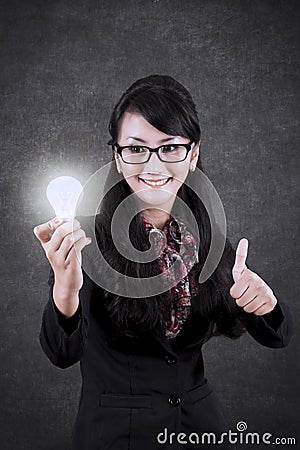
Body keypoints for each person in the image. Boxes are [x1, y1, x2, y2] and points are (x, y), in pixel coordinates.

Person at [33, 74, 293, 450]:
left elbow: (279, 336)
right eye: (136, 149)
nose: (153, 166)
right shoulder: (86, 237)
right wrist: (65, 289)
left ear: (193, 154)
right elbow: (61, 353)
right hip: (116, 435)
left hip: (199, 429)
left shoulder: (205, 234)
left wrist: (264, 305)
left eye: (170, 147)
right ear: (117, 157)